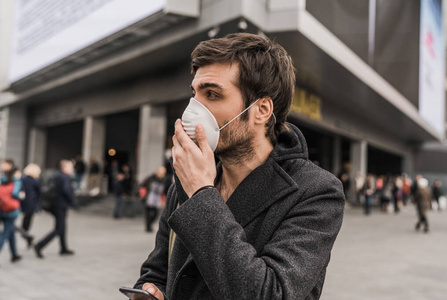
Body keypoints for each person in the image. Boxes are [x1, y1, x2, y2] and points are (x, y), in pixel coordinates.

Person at [131, 33, 345, 300]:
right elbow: (157, 271)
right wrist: (151, 290)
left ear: (262, 110)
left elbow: (270, 294)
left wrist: (201, 194)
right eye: (194, 94)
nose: (192, 109)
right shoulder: (187, 181)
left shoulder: (315, 191)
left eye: (212, 94)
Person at [34, 159, 76, 258]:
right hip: (61, 205)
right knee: (59, 228)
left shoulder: (55, 175)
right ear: (64, 168)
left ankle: (63, 248)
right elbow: (67, 190)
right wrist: (73, 201)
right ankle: (39, 245)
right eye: (70, 167)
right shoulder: (65, 177)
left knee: (62, 227)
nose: (72, 169)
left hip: (54, 204)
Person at [0, 159, 23, 263]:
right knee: (5, 233)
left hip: (2, 209)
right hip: (12, 211)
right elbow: (15, 194)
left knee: (11, 231)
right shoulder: (16, 181)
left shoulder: (2, 179)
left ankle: (14, 254)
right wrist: (21, 196)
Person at [17, 163, 42, 248]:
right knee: (27, 221)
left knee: (25, 219)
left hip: (22, 201)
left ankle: (26, 236)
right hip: (31, 203)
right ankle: (26, 236)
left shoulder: (22, 178)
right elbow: (39, 192)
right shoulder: (35, 181)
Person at [140, 166, 168, 232]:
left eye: (163, 173)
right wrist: (142, 194)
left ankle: (150, 224)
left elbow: (165, 191)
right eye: (161, 173)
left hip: (157, 199)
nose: (162, 175)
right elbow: (143, 185)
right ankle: (148, 227)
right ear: (157, 172)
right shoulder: (150, 178)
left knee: (155, 214)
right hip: (149, 197)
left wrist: (163, 199)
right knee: (148, 213)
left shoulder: (164, 180)